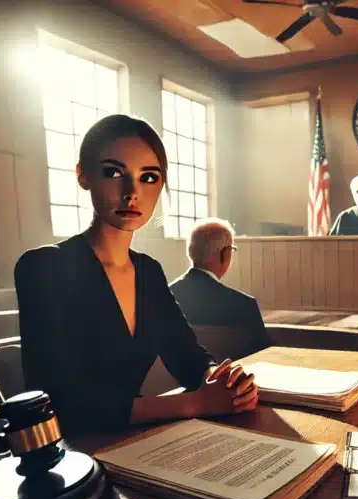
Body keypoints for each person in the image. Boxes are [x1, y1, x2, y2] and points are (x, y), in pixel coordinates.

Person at [14, 114, 257, 436]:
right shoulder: (42, 267)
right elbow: (62, 403)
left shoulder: (148, 271)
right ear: (83, 175)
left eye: (149, 177)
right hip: (71, 451)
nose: (132, 193)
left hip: (136, 442)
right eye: (113, 172)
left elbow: (187, 356)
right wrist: (195, 403)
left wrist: (222, 380)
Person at [169, 218, 267, 339]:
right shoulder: (244, 305)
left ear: (189, 252)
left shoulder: (161, 297)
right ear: (226, 255)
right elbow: (262, 349)